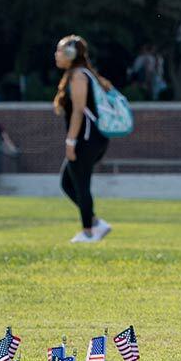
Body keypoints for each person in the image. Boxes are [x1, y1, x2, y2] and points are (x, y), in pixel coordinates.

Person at [53, 35, 114, 243]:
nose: (57, 54)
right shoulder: (79, 73)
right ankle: (96, 223)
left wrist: (70, 142)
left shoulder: (79, 75)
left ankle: (88, 232)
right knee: (67, 183)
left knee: (80, 184)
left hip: (86, 139)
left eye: (60, 50)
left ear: (71, 54)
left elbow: (79, 111)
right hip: (90, 139)